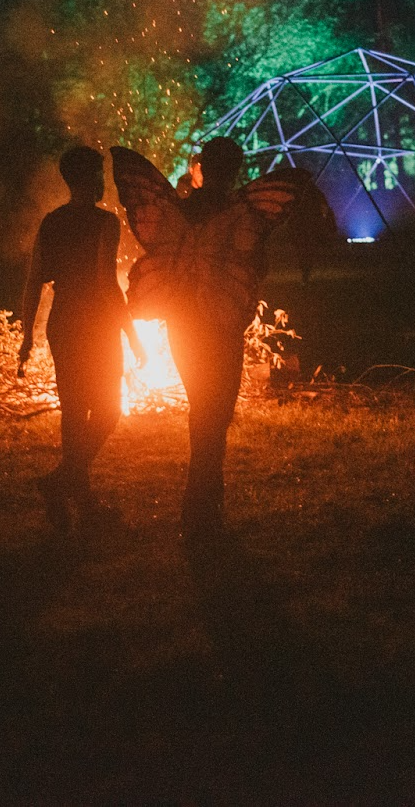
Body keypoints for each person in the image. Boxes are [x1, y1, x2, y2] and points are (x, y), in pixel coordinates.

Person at [112, 137, 324, 541]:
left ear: (203, 169)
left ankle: (201, 507)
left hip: (183, 322)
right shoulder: (240, 210)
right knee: (217, 411)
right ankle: (204, 508)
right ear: (234, 172)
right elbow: (256, 261)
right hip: (221, 324)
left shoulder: (181, 207)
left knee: (203, 410)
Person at [18, 145, 145, 532]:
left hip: (64, 322)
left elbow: (33, 281)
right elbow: (108, 284)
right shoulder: (105, 224)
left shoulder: (51, 222)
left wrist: (26, 337)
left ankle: (80, 500)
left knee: (74, 412)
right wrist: (132, 335)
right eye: (99, 173)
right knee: (108, 410)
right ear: (92, 178)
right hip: (97, 323)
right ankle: (61, 483)